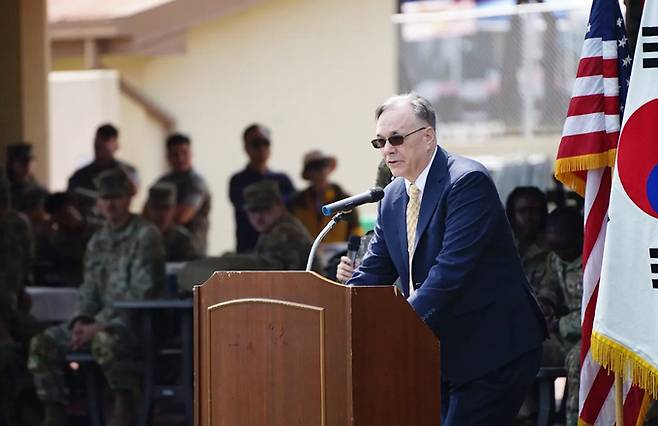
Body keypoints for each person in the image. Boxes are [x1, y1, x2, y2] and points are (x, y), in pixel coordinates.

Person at [342, 93, 545, 425]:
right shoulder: (393, 195)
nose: (387, 149)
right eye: (380, 141)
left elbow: (448, 273)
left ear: (428, 137)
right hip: (439, 354)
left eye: (396, 138)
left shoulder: (467, 181)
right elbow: (373, 271)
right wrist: (340, 316)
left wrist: (396, 327)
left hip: (492, 349)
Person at [29, 169, 165, 426]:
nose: (111, 203)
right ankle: (54, 413)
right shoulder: (97, 240)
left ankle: (124, 404)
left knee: (105, 341)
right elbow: (89, 288)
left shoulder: (146, 236)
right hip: (96, 323)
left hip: (133, 325)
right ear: (98, 203)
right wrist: (80, 321)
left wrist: (98, 325)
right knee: (42, 343)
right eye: (105, 198)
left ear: (128, 198)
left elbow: (139, 294)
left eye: (116, 196)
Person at [540, 207, 584, 426]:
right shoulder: (556, 257)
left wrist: (558, 324)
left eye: (563, 247)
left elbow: (596, 315)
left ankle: (573, 420)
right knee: (518, 349)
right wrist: (545, 303)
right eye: (554, 248)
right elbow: (550, 285)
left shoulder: (596, 259)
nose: (559, 253)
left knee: (577, 361)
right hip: (562, 337)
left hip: (589, 338)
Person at [229, 124, 295, 253]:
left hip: (281, 250)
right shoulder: (238, 180)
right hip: (249, 249)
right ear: (246, 148)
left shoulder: (282, 180)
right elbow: (246, 208)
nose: (262, 148)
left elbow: (290, 211)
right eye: (256, 143)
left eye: (266, 143)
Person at [153, 133, 211, 255]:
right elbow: (147, 214)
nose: (180, 158)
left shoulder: (196, 183)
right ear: (168, 157)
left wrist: (161, 216)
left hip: (191, 251)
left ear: (191, 154)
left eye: (184, 153)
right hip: (163, 250)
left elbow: (182, 216)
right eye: (175, 154)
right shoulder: (162, 182)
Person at [67, 124, 138, 223]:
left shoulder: (126, 171)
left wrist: (117, 166)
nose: (101, 149)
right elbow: (69, 201)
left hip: (115, 227)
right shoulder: (80, 175)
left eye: (106, 142)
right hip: (85, 228)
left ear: (116, 145)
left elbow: (134, 190)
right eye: (98, 146)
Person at [289, 150, 363, 243]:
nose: (321, 170)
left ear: (329, 168)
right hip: (307, 254)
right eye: (315, 166)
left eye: (324, 164)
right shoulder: (298, 201)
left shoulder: (344, 199)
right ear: (308, 172)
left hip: (337, 254)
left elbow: (356, 231)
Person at [41, 192, 98, 287]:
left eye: (66, 213)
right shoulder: (56, 239)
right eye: (60, 217)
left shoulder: (99, 230)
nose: (65, 219)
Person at [144, 182, 200, 262]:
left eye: (165, 208)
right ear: (149, 209)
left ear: (173, 209)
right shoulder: (138, 238)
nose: (161, 214)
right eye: (156, 208)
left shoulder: (183, 241)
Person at [5, 143, 49, 214]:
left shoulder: (39, 191)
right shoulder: (5, 190)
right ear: (12, 163)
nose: (28, 164)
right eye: (22, 161)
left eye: (31, 160)